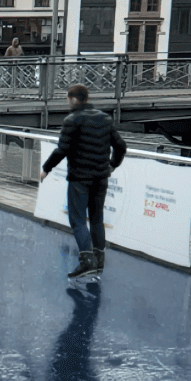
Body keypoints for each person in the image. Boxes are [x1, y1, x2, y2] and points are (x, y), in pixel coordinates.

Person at [40, 82, 126, 279]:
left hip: (80, 178)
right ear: (87, 98)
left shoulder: (72, 120)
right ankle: (99, 261)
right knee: (97, 218)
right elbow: (121, 146)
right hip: (101, 178)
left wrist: (46, 169)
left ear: (73, 99)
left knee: (77, 219)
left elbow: (62, 150)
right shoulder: (105, 119)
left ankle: (86, 261)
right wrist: (112, 165)